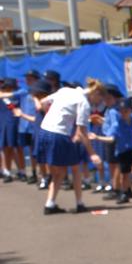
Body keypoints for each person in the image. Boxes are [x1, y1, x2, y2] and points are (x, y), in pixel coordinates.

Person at [37, 78, 111, 214]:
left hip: (43, 132)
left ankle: (50, 204)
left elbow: (43, 102)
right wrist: (93, 153)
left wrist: (52, 116)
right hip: (59, 135)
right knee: (74, 167)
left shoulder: (65, 91)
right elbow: (83, 132)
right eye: (99, 98)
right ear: (96, 92)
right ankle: (78, 203)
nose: (98, 102)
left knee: (60, 171)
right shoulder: (84, 103)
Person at [96, 95, 132, 204]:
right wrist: (97, 137)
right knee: (125, 173)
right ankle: (125, 192)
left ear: (130, 110)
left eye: (126, 110)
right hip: (122, 151)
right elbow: (111, 138)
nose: (123, 113)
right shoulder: (118, 123)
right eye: (121, 111)